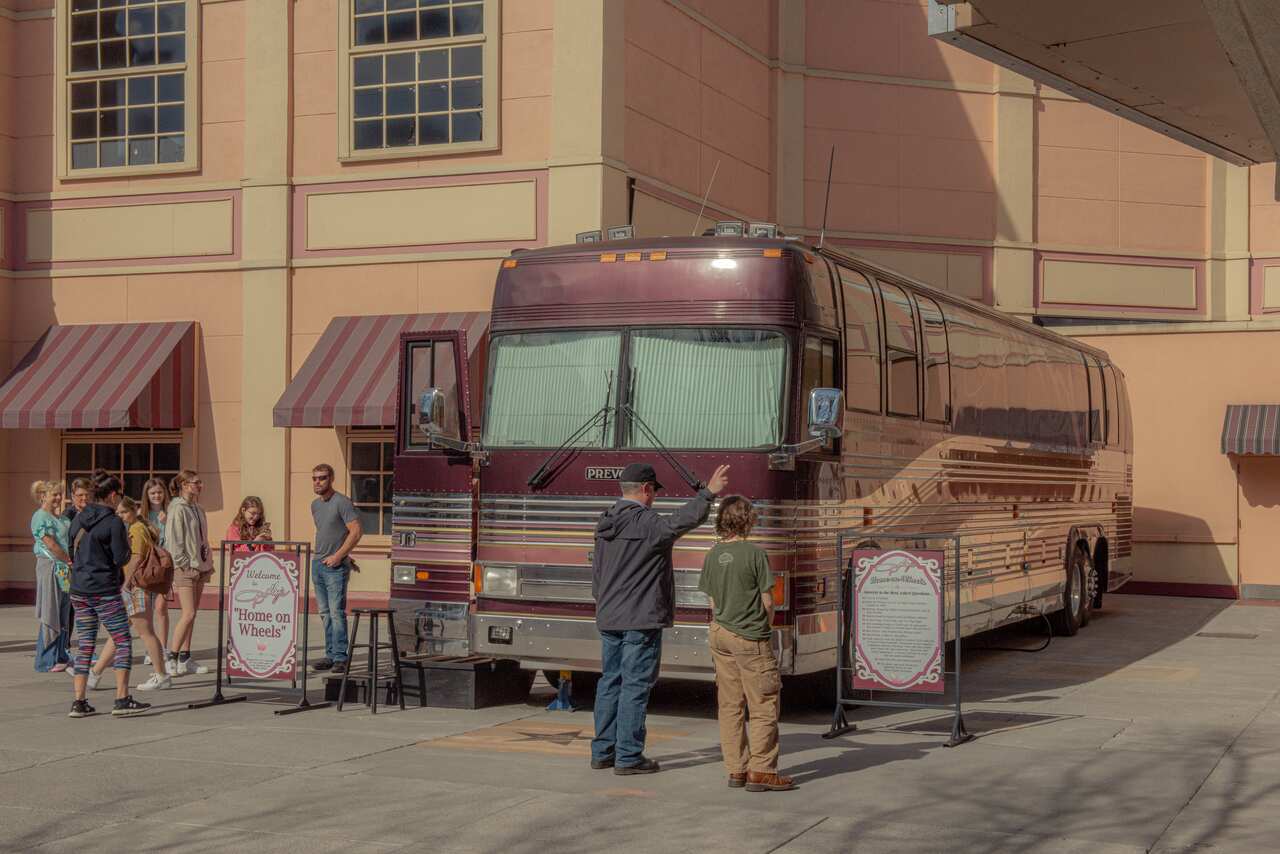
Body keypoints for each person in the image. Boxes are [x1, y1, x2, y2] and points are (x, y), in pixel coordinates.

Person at [590, 462, 730, 775]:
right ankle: (628, 756)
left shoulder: (605, 521)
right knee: (635, 685)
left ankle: (603, 752)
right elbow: (681, 521)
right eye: (653, 491)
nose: (654, 497)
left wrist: (605, 604)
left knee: (610, 681)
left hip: (609, 616)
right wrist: (708, 493)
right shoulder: (648, 523)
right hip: (641, 618)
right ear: (645, 489)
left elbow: (597, 575)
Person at [699, 496, 795, 792]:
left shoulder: (712, 554)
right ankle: (761, 771)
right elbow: (768, 601)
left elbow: (712, 601)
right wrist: (764, 628)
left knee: (730, 705)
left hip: (720, 634)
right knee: (763, 703)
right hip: (750, 637)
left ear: (722, 522)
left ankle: (736, 770)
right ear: (749, 520)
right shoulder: (755, 554)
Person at [67, 471, 150, 718]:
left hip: (79, 589)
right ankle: (122, 698)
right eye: (120, 495)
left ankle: (79, 702)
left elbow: (71, 550)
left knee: (85, 643)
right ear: (113, 495)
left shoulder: (78, 518)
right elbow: (121, 557)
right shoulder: (114, 522)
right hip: (104, 590)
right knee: (122, 640)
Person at [87, 498, 172, 692]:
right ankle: (95, 673)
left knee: (145, 632)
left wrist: (125, 584)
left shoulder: (136, 529)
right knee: (119, 631)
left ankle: (162, 675)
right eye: (118, 513)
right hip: (135, 587)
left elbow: (137, 558)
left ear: (133, 510)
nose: (120, 516)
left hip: (134, 587)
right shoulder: (138, 527)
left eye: (124, 512)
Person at [309, 464, 362, 675]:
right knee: (324, 613)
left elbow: (356, 532)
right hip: (318, 563)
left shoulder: (342, 502)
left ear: (331, 478)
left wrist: (339, 556)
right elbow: (330, 532)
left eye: (322, 478)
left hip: (335, 567)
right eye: (314, 478)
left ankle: (341, 657)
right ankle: (330, 655)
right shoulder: (315, 505)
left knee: (336, 613)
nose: (317, 482)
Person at [164, 470, 212, 676]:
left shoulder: (198, 508)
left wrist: (207, 561)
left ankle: (185, 657)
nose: (200, 486)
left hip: (201, 565)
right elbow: (174, 540)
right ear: (184, 485)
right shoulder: (177, 508)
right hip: (185, 568)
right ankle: (171, 658)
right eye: (195, 482)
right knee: (188, 613)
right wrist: (184, 563)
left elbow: (202, 538)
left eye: (200, 482)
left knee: (193, 614)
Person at [31, 480, 72, 673]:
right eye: (54, 494)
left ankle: (60, 655)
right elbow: (51, 544)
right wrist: (69, 560)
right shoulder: (40, 517)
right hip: (50, 567)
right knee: (51, 611)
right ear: (43, 496)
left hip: (63, 569)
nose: (58, 497)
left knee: (63, 612)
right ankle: (46, 660)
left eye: (59, 494)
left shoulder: (60, 518)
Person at [141, 478, 172, 666]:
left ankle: (163, 647)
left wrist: (167, 523)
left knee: (161, 608)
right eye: (152, 493)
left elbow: (174, 538)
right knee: (146, 610)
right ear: (147, 495)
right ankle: (150, 649)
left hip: (165, 565)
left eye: (159, 492)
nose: (156, 496)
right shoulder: (141, 515)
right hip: (146, 566)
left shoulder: (169, 513)